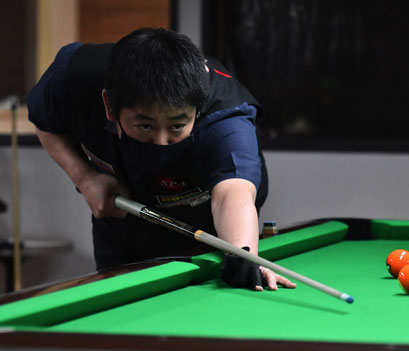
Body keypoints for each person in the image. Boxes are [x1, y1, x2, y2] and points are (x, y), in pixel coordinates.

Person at [27, 27, 295, 292]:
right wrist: (85, 179)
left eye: (177, 126)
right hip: (122, 224)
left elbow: (232, 194)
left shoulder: (227, 122)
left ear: (198, 111)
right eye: (145, 126)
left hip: (207, 229)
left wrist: (242, 255)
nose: (161, 141)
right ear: (109, 105)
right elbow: (45, 123)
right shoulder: (73, 80)